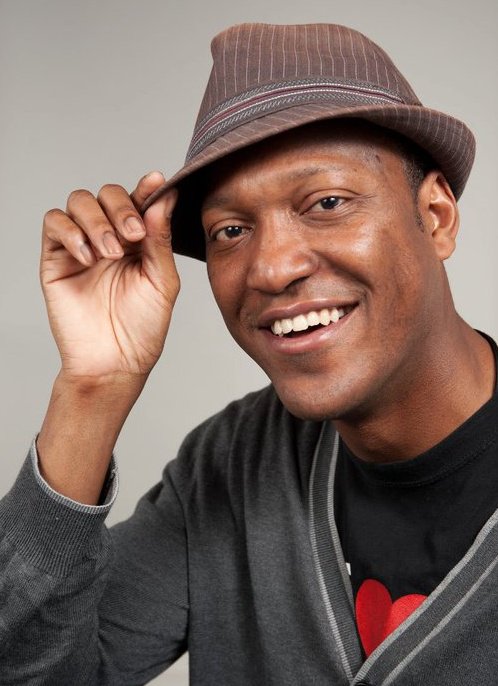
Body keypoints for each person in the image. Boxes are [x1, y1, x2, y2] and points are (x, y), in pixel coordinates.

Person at [1, 22, 496, 686]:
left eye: (326, 202)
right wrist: (94, 387)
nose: (270, 268)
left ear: (435, 217)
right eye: (231, 230)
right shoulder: (231, 465)